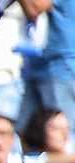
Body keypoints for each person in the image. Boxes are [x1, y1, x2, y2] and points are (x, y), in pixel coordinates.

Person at [16, 0, 75, 132]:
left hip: (60, 68)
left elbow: (34, 8)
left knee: (60, 133)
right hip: (37, 65)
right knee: (25, 132)